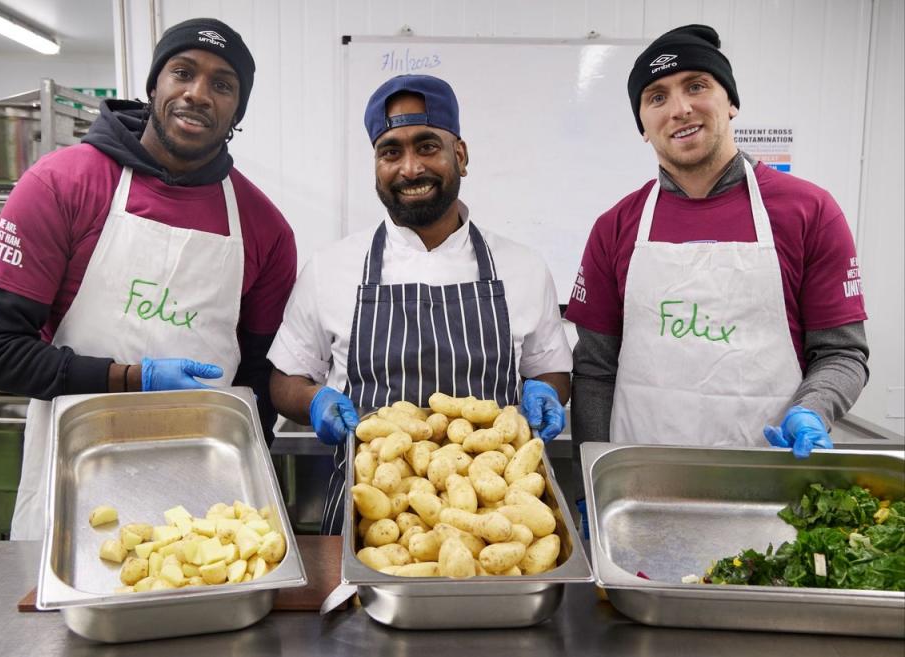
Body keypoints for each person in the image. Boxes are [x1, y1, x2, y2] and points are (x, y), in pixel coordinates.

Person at [0, 18, 297, 540]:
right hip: (73, 493)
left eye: (222, 84)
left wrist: (254, 493)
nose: (197, 93)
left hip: (206, 511)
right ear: (154, 84)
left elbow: (259, 381)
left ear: (238, 110)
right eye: (182, 72)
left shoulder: (264, 228)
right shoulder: (62, 183)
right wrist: (133, 380)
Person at [567, 24, 869, 513]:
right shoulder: (615, 227)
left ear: (730, 102)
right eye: (656, 97)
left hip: (771, 492)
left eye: (697, 86)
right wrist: (595, 483)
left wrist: (812, 409)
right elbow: (595, 371)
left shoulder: (808, 211)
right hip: (641, 496)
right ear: (643, 126)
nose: (680, 108)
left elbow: (842, 354)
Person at [268, 74, 572, 534]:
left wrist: (545, 392)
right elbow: (285, 379)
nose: (410, 169)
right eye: (391, 152)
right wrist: (314, 402)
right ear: (376, 165)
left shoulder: (523, 267)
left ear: (461, 156)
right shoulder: (330, 268)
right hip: (368, 519)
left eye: (427, 146)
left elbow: (550, 370)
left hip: (493, 519)